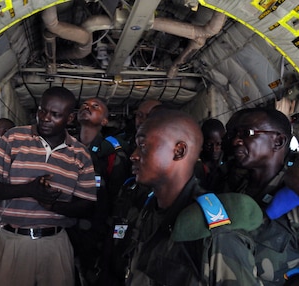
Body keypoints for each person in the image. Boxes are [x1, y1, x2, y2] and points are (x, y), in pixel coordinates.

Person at [127, 108, 263, 285]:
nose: (133, 156)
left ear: (179, 151)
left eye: (143, 146)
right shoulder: (150, 209)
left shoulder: (216, 234)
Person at [0, 86, 97, 286]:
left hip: (55, 243)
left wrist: (53, 206)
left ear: (69, 119)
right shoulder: (14, 138)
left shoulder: (79, 154)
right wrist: (28, 190)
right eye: (42, 111)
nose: (45, 118)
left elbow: (87, 206)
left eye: (55, 114)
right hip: (12, 241)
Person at [223, 107, 299, 285]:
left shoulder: (293, 196)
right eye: (235, 134)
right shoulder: (233, 189)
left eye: (247, 133)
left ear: (278, 141)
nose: (236, 141)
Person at [73, 97, 130, 285]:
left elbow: (119, 201)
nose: (87, 107)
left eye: (95, 106)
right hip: (69, 233)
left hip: (99, 237)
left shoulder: (111, 153)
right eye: (84, 105)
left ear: (104, 121)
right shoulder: (66, 149)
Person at [194, 118, 226, 189]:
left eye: (218, 144)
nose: (214, 149)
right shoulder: (197, 165)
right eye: (209, 145)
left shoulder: (227, 162)